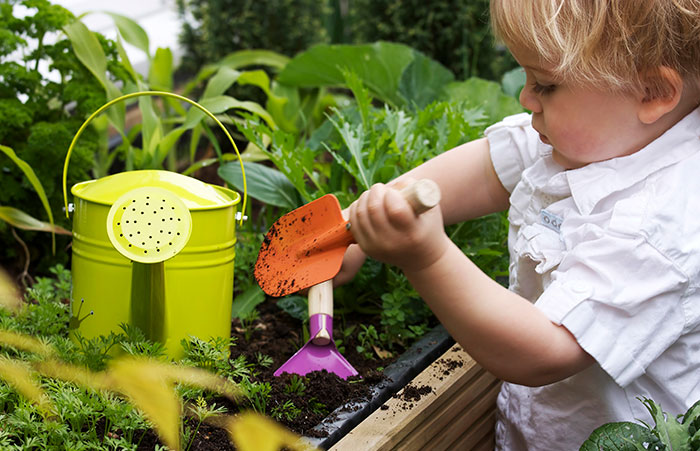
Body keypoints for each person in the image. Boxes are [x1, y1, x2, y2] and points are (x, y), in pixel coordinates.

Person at [334, 0, 700, 449]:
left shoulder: (660, 224)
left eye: (545, 84)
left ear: (652, 93)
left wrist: (425, 256)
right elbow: (488, 169)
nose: (526, 99)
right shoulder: (600, 134)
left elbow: (545, 351)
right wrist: (355, 225)